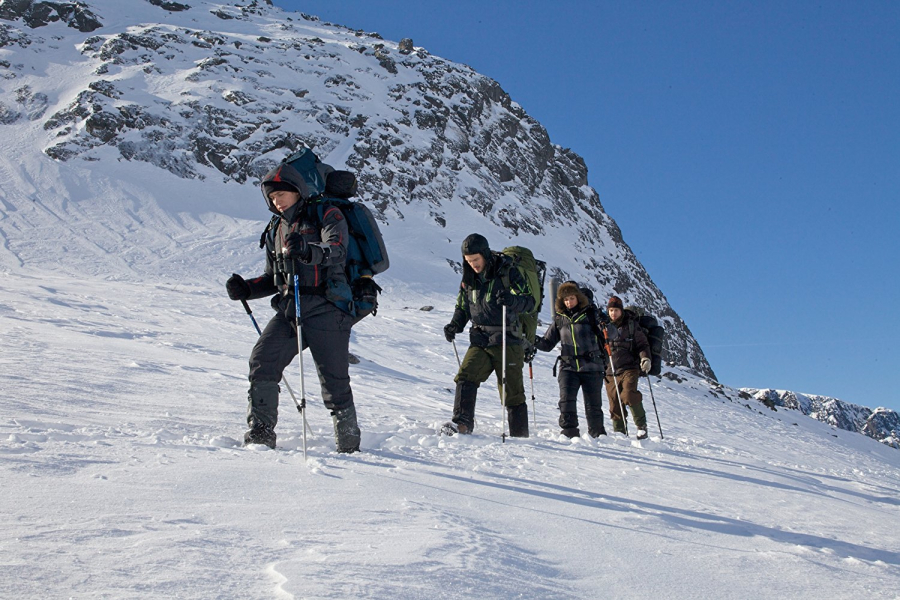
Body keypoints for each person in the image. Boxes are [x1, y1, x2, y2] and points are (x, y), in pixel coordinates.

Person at [225, 161, 361, 453]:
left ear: (298, 191)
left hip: (328, 308)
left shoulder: (326, 213)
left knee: (334, 382)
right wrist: (246, 288)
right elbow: (273, 278)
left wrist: (308, 250)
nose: (276, 199)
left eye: (282, 193)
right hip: (290, 308)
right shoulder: (276, 227)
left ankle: (349, 445)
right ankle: (260, 433)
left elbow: (336, 249)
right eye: (272, 196)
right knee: (262, 361)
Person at [442, 234, 535, 437]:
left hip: (507, 338)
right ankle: (462, 424)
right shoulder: (468, 279)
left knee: (512, 392)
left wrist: (511, 300)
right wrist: (454, 325)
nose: (473, 264)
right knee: (465, 376)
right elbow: (463, 306)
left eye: (476, 259)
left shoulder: (507, 272)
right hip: (480, 338)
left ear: (484, 254)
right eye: (469, 261)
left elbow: (529, 301)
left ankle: (520, 436)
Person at [534, 282, 609, 438]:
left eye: (572, 298)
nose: (569, 302)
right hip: (568, 366)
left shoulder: (591, 314)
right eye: (565, 299)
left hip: (592, 366)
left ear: (578, 298)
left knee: (593, 405)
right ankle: (569, 433)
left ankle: (597, 435)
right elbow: (547, 344)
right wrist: (530, 340)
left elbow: (611, 335)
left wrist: (605, 323)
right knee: (566, 400)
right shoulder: (560, 319)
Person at [604, 296, 652, 439]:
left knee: (628, 394)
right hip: (610, 370)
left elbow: (642, 344)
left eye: (616, 310)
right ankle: (619, 432)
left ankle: (641, 426)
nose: (613, 313)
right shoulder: (603, 326)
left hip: (630, 367)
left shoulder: (630, 326)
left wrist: (645, 358)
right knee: (614, 401)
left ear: (621, 311)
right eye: (611, 310)